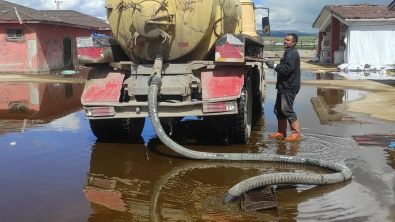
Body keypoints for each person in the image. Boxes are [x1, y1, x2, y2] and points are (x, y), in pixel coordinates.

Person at [266, 33, 301, 141]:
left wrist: (275, 66)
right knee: (278, 110)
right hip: (283, 85)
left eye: (288, 40)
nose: (285, 41)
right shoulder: (288, 52)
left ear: (294, 42)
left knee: (286, 109)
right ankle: (281, 131)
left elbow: (287, 70)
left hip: (289, 86)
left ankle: (296, 133)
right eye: (285, 39)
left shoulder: (292, 53)